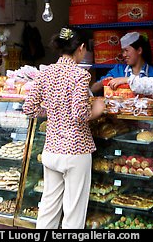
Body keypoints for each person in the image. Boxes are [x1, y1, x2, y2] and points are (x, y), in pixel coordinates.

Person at [22, 26, 105, 229]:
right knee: (73, 214)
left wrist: (51, 110)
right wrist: (98, 109)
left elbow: (29, 108)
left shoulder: (45, 72)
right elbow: (79, 113)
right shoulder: (80, 75)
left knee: (48, 209)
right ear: (81, 48)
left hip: (51, 150)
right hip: (76, 151)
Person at [90, 31, 153, 110]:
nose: (124, 55)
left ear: (139, 50)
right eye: (123, 51)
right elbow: (93, 89)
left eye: (126, 50)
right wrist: (104, 82)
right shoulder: (118, 70)